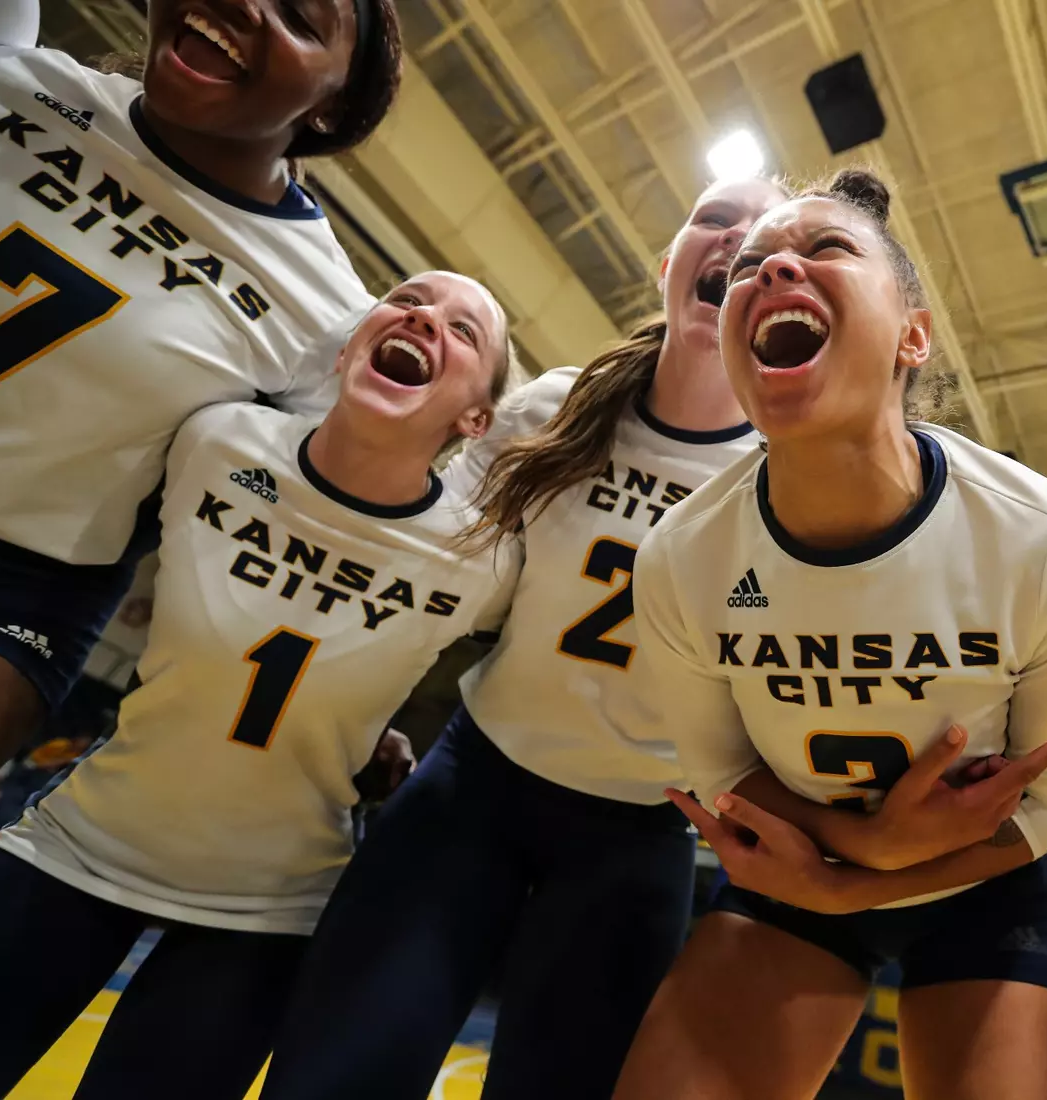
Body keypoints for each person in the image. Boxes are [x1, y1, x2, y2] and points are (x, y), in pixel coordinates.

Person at [260, 175, 785, 1100]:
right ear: (670, 264)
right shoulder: (552, 407)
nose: (736, 240)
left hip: (642, 833)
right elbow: (425, 563)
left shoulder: (791, 475)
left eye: (762, 235)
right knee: (336, 1073)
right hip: (474, 789)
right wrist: (355, 703)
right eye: (715, 220)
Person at [610, 168, 1047, 1100]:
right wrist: (855, 850)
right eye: (752, 265)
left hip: (981, 878)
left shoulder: (1045, 539)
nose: (774, 272)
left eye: (826, 250)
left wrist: (865, 875)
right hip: (793, 869)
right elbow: (723, 772)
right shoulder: (681, 556)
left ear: (913, 335)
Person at [0, 271, 520, 1100]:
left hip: (268, 909)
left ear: (475, 420)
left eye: (464, 329)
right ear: (347, 348)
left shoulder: (484, 561)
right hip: (79, 841)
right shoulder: (216, 440)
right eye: (408, 299)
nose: (423, 319)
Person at [0, 0, 402, 783]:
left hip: (13, 586)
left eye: (299, 18)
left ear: (333, 104)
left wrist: (342, 701)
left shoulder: (330, 321)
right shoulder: (4, 70)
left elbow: (297, 535)